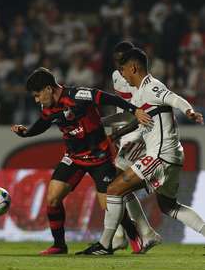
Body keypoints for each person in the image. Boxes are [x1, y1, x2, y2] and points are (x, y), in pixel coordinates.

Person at [76, 47, 205, 255]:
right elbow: (133, 119)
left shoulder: (152, 87)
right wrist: (107, 129)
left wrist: (189, 111)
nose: (122, 75)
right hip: (170, 156)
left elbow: (173, 98)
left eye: (124, 70)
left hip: (160, 156)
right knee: (169, 207)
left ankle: (105, 244)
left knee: (113, 188)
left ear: (133, 67)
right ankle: (128, 238)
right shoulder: (139, 96)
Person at [11, 67, 151, 255]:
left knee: (109, 206)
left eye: (37, 95)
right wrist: (27, 133)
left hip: (99, 156)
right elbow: (44, 123)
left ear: (48, 89)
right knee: (53, 198)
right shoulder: (48, 106)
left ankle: (134, 235)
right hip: (74, 157)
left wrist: (135, 111)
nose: (37, 100)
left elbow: (109, 98)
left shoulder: (79, 95)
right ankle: (59, 245)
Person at [107, 41, 162, 253]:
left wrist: (101, 121)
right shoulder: (116, 76)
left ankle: (125, 235)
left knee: (117, 181)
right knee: (119, 185)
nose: (121, 66)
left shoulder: (141, 80)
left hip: (139, 132)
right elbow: (121, 108)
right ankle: (142, 233)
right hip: (125, 133)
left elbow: (133, 113)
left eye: (124, 61)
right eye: (118, 61)